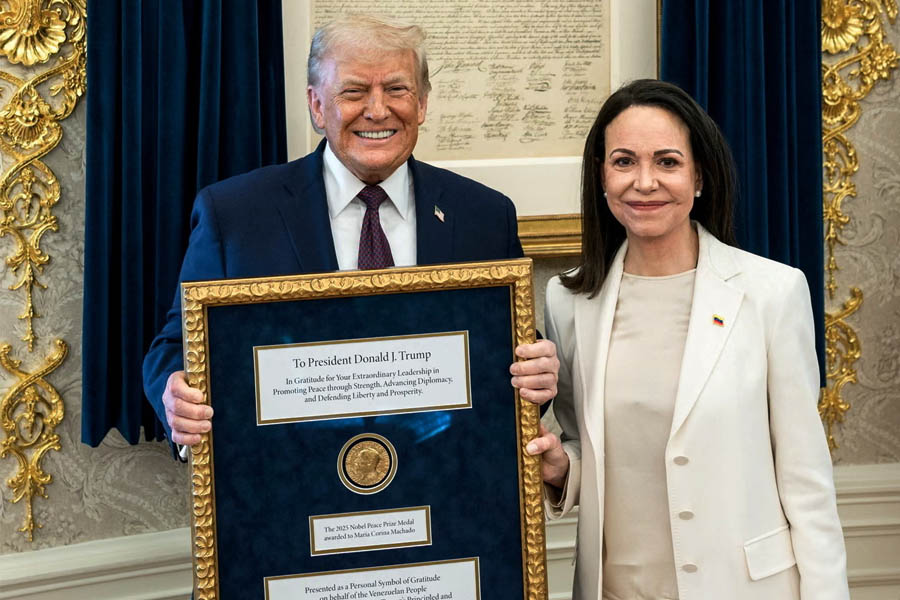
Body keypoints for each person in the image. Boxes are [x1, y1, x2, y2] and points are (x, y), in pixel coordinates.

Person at [142, 15, 559, 447]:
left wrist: (538, 373)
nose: (378, 110)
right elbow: (175, 347)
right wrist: (175, 395)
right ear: (317, 106)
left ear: (422, 103)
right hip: (289, 484)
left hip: (442, 482)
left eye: (397, 89)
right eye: (354, 91)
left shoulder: (484, 215)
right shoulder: (235, 215)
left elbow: (510, 354)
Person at [525, 79, 849, 599]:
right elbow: (591, 447)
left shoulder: (772, 292)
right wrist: (563, 469)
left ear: (699, 177)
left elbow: (806, 481)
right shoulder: (568, 301)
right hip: (616, 587)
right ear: (601, 178)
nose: (645, 182)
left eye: (668, 162)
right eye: (624, 161)